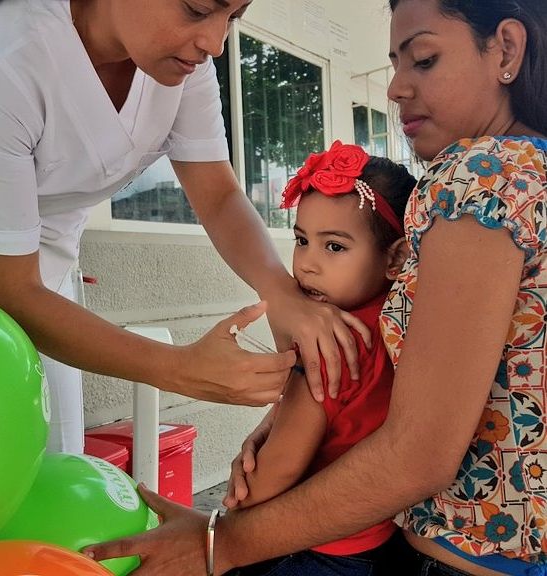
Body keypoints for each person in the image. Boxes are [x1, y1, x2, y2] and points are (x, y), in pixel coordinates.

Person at [85, 0, 547, 574]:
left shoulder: (479, 178)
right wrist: (289, 414)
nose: (396, 88)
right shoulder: (532, 173)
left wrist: (219, 542)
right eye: (395, 63)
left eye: (424, 59)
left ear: (506, 48)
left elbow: (420, 454)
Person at [0, 0, 367, 454]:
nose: (214, 42)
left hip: (43, 284)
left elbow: (218, 194)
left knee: (40, 459)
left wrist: (280, 293)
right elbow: (10, 290)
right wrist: (181, 368)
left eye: (234, 16)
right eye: (196, 9)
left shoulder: (182, 63)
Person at [226, 141, 414, 576]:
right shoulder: (400, 325)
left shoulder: (326, 344)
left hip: (313, 549)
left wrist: (231, 516)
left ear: (396, 257)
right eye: (301, 240)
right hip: (377, 539)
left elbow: (274, 473)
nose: (307, 264)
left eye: (334, 247)